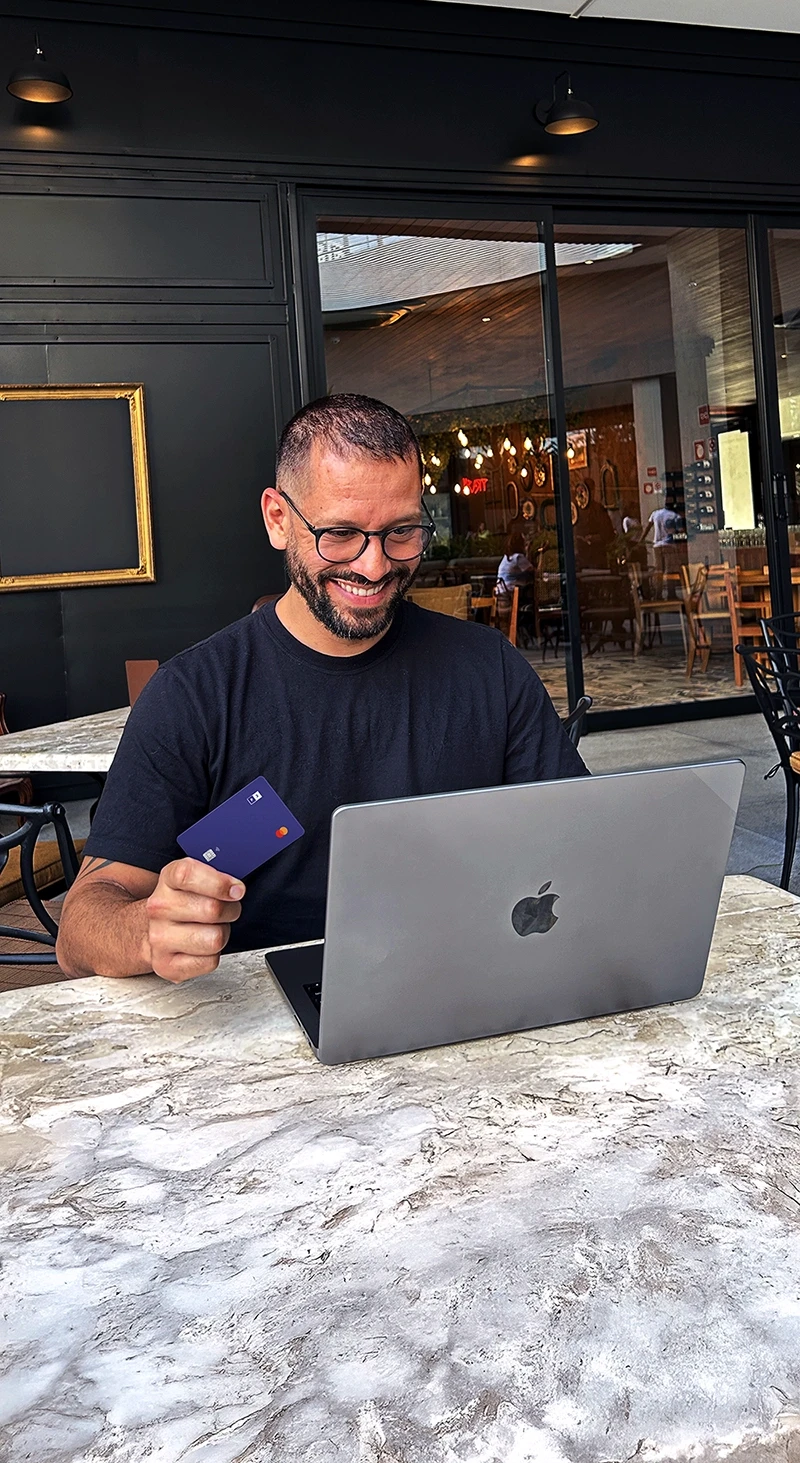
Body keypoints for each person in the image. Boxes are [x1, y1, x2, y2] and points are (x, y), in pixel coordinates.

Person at [57, 394, 587, 984]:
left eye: (402, 532)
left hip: (464, 981)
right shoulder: (194, 695)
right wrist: (146, 931)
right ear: (277, 519)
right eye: (339, 533)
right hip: (260, 1015)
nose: (374, 566)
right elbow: (81, 926)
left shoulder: (490, 669)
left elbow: (579, 842)